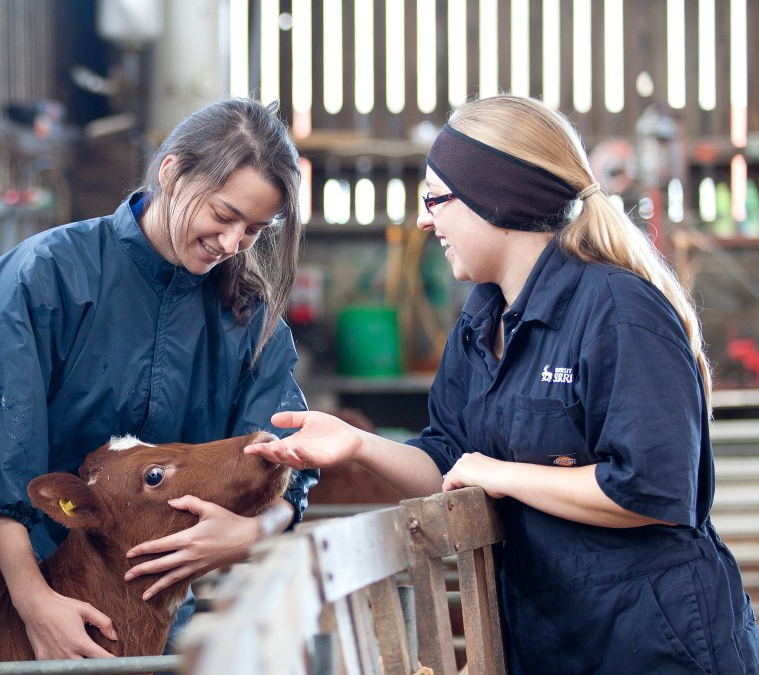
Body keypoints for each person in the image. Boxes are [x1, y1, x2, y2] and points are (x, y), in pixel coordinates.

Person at [245, 95, 759, 674]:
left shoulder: (617, 311)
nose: (423, 220)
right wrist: (357, 444)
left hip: (652, 645)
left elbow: (651, 490)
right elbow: (450, 462)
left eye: (436, 199)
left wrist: (501, 474)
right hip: (551, 641)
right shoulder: (479, 324)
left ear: (497, 200)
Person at [0, 97, 318, 659]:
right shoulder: (46, 275)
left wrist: (252, 532)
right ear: (172, 172)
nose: (233, 244)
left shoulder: (249, 315)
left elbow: (286, 457)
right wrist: (36, 603)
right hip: (8, 594)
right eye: (224, 215)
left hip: (162, 604)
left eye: (255, 230)